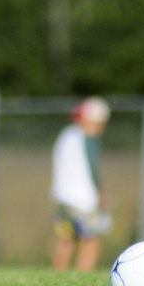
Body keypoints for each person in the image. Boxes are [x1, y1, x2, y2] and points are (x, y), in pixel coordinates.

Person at [49, 96, 112, 272]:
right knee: (90, 241)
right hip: (82, 201)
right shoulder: (88, 139)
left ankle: (56, 278)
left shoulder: (66, 136)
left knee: (66, 240)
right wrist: (101, 194)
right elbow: (92, 169)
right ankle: (83, 276)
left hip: (61, 198)